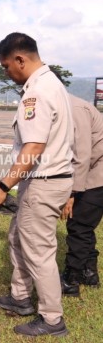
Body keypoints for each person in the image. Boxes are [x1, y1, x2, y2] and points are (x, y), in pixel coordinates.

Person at [0, 32, 74, 337]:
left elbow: (33, 149)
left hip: (44, 182)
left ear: (21, 59)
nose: (7, 72)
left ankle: (51, 318)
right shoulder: (49, 85)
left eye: (7, 66)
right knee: (18, 238)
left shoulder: (38, 92)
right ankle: (20, 298)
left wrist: (2, 187)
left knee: (39, 251)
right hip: (44, 181)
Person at [60, 94, 103, 296]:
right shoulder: (67, 106)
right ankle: (89, 273)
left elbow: (83, 154)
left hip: (96, 175)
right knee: (85, 226)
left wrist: (72, 192)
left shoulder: (75, 109)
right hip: (93, 174)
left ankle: (71, 280)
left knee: (78, 226)